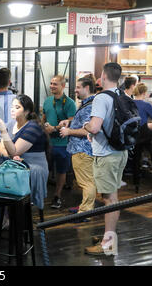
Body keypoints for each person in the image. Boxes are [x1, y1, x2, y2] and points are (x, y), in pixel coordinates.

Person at [83, 62, 128, 256]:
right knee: (113, 197)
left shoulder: (102, 97)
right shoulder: (122, 94)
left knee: (109, 199)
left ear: (102, 76)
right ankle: (108, 236)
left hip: (106, 154)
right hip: (120, 152)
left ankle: (108, 244)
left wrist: (86, 125)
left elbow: (94, 127)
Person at [0, 94, 49, 211]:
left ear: (26, 112)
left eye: (17, 107)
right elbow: (2, 150)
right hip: (15, 162)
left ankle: (5, 213)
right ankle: (2, 213)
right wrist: (12, 154)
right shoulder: (12, 124)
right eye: (12, 106)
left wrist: (2, 130)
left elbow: (14, 151)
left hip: (31, 167)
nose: (12, 109)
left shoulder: (33, 127)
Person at [59, 75, 96, 221]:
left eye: (78, 87)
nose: (75, 90)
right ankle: (84, 207)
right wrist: (70, 122)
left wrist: (69, 131)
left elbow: (88, 130)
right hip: (81, 150)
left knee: (86, 182)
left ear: (87, 88)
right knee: (86, 181)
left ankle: (85, 212)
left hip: (83, 150)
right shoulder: (89, 103)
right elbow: (82, 122)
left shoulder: (91, 105)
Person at [42, 75, 77, 209]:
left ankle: (57, 196)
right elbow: (44, 117)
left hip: (63, 144)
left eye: (55, 84)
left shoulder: (69, 103)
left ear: (63, 86)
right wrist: (45, 126)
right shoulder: (47, 101)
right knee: (45, 169)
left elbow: (71, 122)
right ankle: (41, 194)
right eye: (51, 83)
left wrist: (54, 128)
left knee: (61, 171)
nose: (51, 86)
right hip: (48, 142)